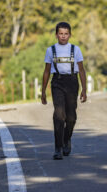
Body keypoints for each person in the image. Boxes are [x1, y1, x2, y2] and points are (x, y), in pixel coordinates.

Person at [41, 22, 87, 160]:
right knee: (59, 115)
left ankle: (67, 139)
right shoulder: (51, 50)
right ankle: (58, 147)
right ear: (56, 35)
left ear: (70, 35)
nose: (63, 36)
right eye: (60, 33)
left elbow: (82, 70)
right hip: (57, 83)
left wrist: (84, 90)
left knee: (71, 117)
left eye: (66, 34)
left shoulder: (75, 49)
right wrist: (43, 91)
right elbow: (47, 71)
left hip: (72, 82)